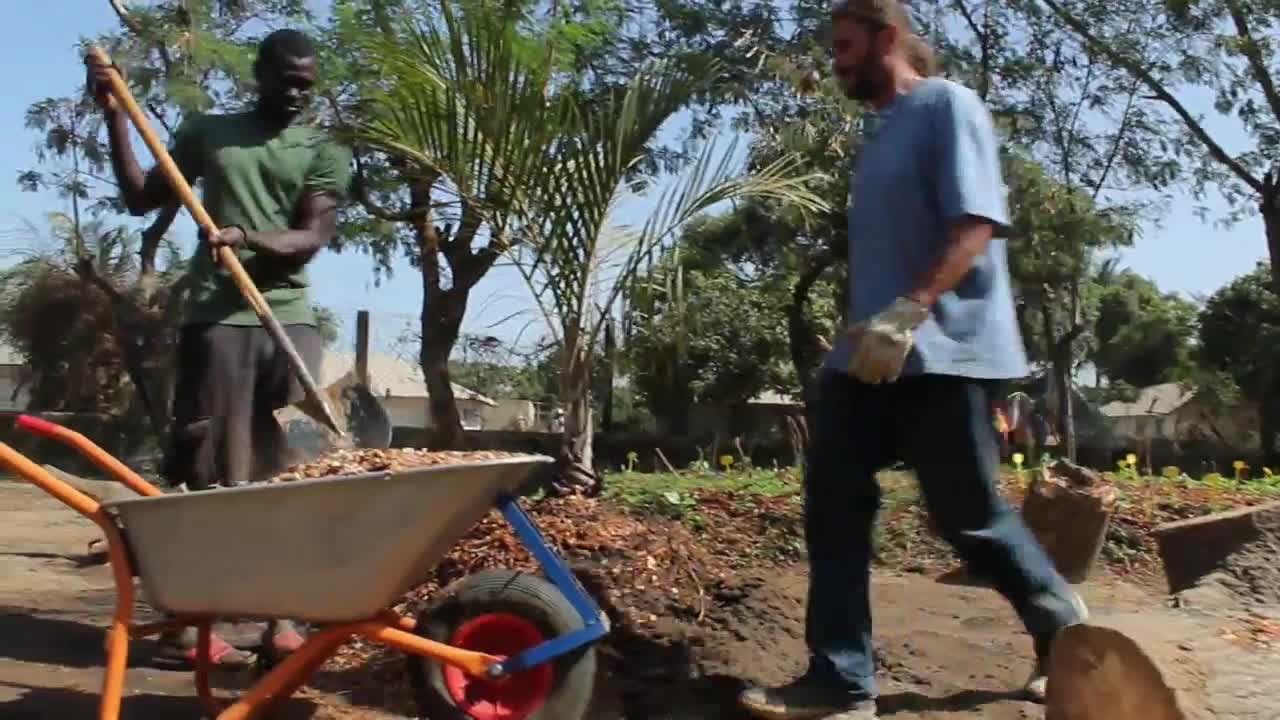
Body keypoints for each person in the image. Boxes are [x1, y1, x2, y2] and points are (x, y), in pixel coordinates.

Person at [737, 2, 1088, 718]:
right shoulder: (880, 135)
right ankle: (839, 680)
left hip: (947, 350)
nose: (833, 61)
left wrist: (913, 307)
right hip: (868, 355)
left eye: (844, 45)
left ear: (886, 38)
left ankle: (1065, 628)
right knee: (833, 500)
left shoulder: (946, 106)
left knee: (968, 516)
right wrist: (865, 328)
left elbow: (976, 225)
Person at [87, 28, 352, 669]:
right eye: (287, 81)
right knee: (204, 469)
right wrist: (116, 118)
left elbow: (310, 237)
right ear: (258, 76)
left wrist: (247, 237)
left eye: (307, 85)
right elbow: (139, 195)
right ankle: (190, 620)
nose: (297, 94)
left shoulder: (322, 148)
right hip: (216, 322)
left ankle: (280, 620)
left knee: (289, 471)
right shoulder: (209, 132)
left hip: (288, 324)